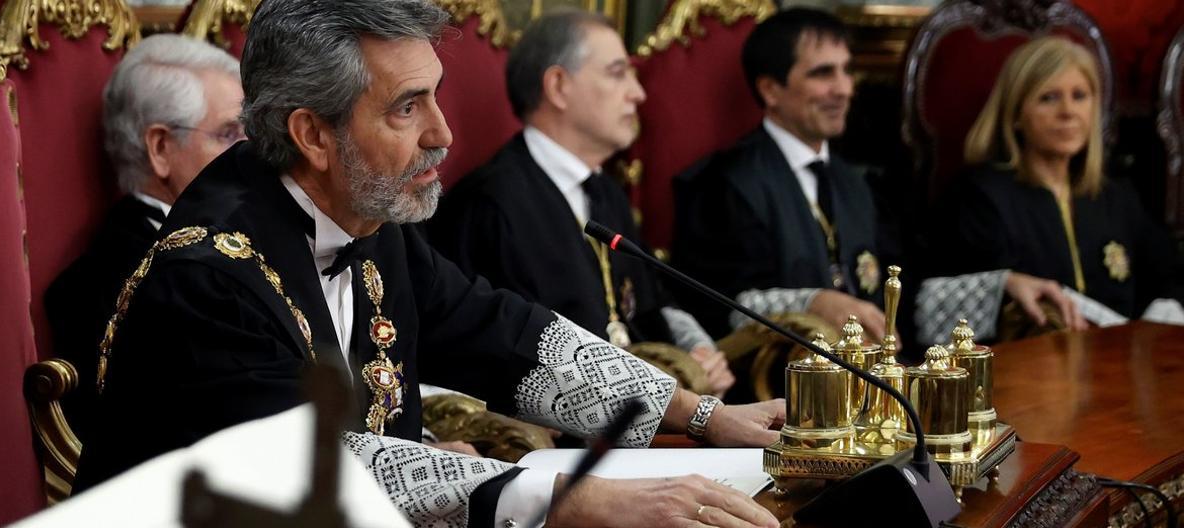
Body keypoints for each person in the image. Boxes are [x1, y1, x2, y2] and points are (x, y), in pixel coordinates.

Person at [74, 0, 784, 528]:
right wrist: (583, 497)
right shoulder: (207, 273)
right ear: (312, 135)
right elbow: (315, 472)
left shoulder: (366, 211)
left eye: (435, 95)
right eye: (407, 107)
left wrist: (705, 417)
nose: (443, 133)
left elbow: (502, 333)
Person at [673, 8, 1079, 346]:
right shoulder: (722, 184)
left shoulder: (860, 184)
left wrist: (1000, 286)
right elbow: (712, 309)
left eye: (847, 71)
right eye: (822, 74)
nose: (844, 89)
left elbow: (909, 295)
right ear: (771, 89)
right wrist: (814, 303)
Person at [426, 10, 734, 398]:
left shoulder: (606, 192)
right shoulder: (488, 204)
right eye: (618, 72)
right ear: (558, 86)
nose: (638, 93)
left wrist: (696, 352)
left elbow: (650, 305)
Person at [45, 34, 244, 438]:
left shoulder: (241, 232)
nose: (252, 152)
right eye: (228, 134)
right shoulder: (106, 282)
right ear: (160, 148)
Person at [932, 36, 1184, 328]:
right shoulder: (980, 197)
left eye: (1080, 96)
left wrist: (1164, 310)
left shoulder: (1115, 195)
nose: (1068, 112)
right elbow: (946, 307)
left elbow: (1170, 277)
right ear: (1015, 114)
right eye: (1048, 98)